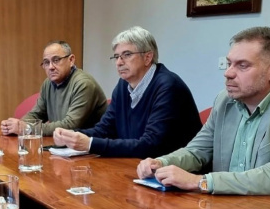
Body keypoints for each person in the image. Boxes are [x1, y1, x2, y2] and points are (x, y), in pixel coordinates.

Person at [137, 27, 270, 208]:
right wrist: (162, 163)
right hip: (241, 207)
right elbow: (198, 151)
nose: (228, 73)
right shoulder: (225, 100)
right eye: (228, 63)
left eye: (242, 65)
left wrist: (200, 182)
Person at [53, 26, 201, 158]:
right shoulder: (123, 85)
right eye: (116, 56)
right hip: (137, 167)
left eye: (127, 55)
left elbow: (151, 145)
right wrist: (72, 135)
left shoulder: (168, 86)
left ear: (148, 57)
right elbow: (105, 129)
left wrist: (90, 144)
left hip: (175, 174)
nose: (119, 62)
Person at [0, 41, 107, 136]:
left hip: (92, 149)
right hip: (64, 145)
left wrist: (27, 128)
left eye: (56, 60)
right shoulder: (48, 83)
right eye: (46, 62)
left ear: (71, 60)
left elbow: (71, 125)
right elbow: (37, 114)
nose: (51, 67)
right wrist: (17, 125)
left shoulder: (84, 84)